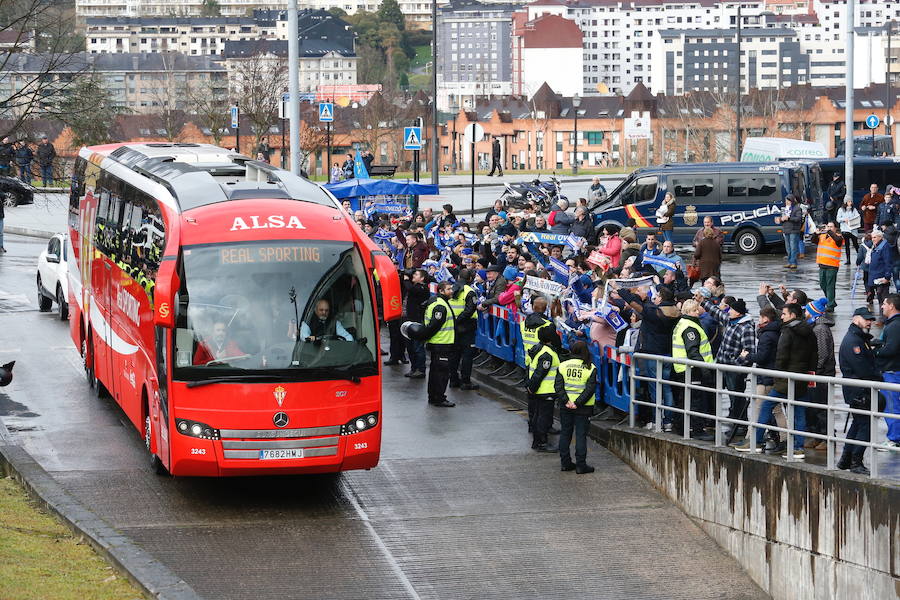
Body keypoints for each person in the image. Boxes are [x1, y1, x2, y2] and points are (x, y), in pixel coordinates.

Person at [739, 303, 816, 458]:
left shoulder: (787, 332)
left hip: (785, 379)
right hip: (801, 378)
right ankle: (798, 448)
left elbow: (781, 357)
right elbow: (814, 356)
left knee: (766, 406)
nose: (782, 316)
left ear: (793, 315)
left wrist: (778, 375)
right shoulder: (809, 331)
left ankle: (756, 441)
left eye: (785, 314)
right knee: (799, 413)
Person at [733, 307, 786, 453]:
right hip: (771, 375)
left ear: (766, 319)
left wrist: (747, 356)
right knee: (775, 409)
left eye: (761, 317)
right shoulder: (776, 332)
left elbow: (762, 357)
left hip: (766, 377)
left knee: (759, 408)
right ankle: (784, 439)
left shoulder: (767, 335)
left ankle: (753, 440)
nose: (759, 319)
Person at [699, 297, 755, 431]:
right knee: (714, 390)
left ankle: (740, 424)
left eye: (732, 310)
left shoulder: (746, 328)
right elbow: (717, 312)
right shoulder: (730, 321)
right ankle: (717, 419)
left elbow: (749, 350)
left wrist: (736, 365)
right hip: (721, 366)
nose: (729, 311)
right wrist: (703, 301)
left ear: (739, 313)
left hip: (734, 369)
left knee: (736, 396)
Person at [837, 307, 880, 475]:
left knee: (857, 424)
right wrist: (879, 378)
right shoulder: (854, 341)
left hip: (858, 391)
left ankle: (846, 459)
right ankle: (856, 461)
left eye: (870, 319)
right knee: (865, 426)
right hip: (859, 392)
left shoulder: (858, 338)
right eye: (866, 318)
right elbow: (863, 370)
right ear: (856, 319)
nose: (869, 321)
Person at [671, 299, 715, 439]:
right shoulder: (690, 327)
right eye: (695, 310)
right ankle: (697, 430)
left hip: (683, 369)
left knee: (684, 399)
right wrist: (705, 370)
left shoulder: (682, 324)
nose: (698, 312)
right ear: (689, 312)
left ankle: (679, 427)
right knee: (696, 401)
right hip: (693, 370)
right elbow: (693, 352)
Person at [556, 341, 597, 474]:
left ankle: (565, 463)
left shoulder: (562, 366)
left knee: (565, 433)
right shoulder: (590, 368)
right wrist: (577, 403)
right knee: (580, 435)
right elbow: (589, 389)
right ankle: (581, 465)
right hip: (583, 408)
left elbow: (558, 387)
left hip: (565, 406)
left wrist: (567, 401)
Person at [418, 281, 456, 407]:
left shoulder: (437, 301)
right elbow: (434, 326)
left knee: (435, 371)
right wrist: (424, 337)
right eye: (449, 289)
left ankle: (433, 396)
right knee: (441, 373)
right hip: (441, 343)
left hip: (439, 343)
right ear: (441, 291)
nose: (451, 291)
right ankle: (439, 397)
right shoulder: (440, 306)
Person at [804, 298, 835, 451]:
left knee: (821, 408)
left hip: (821, 375)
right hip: (816, 373)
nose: (804, 313)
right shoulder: (816, 326)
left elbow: (822, 354)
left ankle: (826, 438)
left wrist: (815, 371)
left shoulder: (820, 329)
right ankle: (817, 436)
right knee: (814, 407)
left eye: (806, 311)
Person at [527, 325, 563, 452]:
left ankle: (538, 441)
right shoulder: (546, 354)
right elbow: (539, 373)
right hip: (545, 390)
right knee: (543, 417)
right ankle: (541, 443)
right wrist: (532, 387)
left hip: (540, 390)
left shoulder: (539, 348)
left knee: (538, 416)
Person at [447, 269, 479, 390]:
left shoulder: (450, 288)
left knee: (454, 354)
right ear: (470, 279)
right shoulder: (470, 292)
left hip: (453, 325)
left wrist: (454, 320)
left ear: (458, 277)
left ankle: (453, 379)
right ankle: (466, 381)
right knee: (467, 355)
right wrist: (459, 319)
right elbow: (470, 310)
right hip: (467, 326)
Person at [875, 294, 900, 451]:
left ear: (891, 306)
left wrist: (876, 351)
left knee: (892, 407)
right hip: (892, 370)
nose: (882, 306)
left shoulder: (895, 325)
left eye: (884, 304)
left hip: (892, 372)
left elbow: (891, 349)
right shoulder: (893, 324)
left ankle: (894, 439)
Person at [402, 269, 430, 379]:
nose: (413, 275)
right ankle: (413, 368)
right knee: (410, 347)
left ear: (422, 278)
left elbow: (410, 288)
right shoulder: (415, 287)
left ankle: (420, 369)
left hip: (418, 321)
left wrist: (406, 279)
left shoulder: (423, 288)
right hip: (409, 319)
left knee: (418, 347)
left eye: (416, 274)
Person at [814, 221, 843, 311]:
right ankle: (831, 301)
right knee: (823, 284)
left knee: (830, 285)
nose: (829, 228)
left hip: (832, 265)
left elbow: (838, 241)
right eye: (828, 226)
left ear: (835, 228)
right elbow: (813, 241)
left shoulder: (839, 237)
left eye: (831, 227)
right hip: (822, 264)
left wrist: (829, 231)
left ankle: (830, 305)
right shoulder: (822, 236)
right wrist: (816, 233)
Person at [774, 195, 803, 269]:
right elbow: (783, 218)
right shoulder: (784, 209)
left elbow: (798, 219)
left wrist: (789, 218)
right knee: (788, 247)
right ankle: (789, 261)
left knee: (793, 247)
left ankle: (793, 262)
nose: (787, 202)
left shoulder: (797, 208)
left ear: (792, 201)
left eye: (788, 200)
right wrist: (780, 219)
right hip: (786, 229)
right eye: (786, 200)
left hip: (794, 230)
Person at [867, 229, 893, 311]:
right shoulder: (876, 246)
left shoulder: (884, 246)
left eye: (875, 237)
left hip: (881, 277)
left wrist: (887, 277)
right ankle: (882, 318)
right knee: (879, 298)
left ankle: (884, 318)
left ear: (880, 237)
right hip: (875, 276)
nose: (873, 239)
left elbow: (888, 262)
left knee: (883, 299)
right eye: (872, 237)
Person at [836, 196, 860, 265]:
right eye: (849, 201)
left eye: (851, 201)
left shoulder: (854, 209)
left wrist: (852, 220)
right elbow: (838, 219)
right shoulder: (841, 209)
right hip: (845, 229)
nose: (850, 203)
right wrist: (844, 220)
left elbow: (858, 216)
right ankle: (848, 259)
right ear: (845, 202)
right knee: (847, 245)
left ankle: (859, 258)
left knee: (855, 244)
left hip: (853, 229)